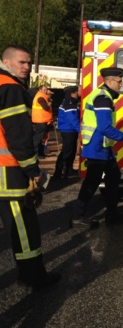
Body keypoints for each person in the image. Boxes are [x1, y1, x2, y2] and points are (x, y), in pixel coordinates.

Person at [0, 45, 61, 289]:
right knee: (24, 228)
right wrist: (33, 170)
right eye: (21, 62)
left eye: (29, 63)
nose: (26, 67)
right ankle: (33, 275)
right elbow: (17, 135)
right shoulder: (11, 88)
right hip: (9, 171)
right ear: (5, 61)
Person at [69, 67, 123, 229]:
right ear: (110, 81)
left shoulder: (103, 96)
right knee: (92, 182)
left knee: (114, 177)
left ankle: (112, 214)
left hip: (103, 147)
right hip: (96, 146)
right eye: (119, 82)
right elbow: (105, 127)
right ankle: (77, 216)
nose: (121, 84)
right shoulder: (103, 98)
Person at [54, 86, 81, 179]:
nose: (78, 94)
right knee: (67, 151)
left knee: (71, 151)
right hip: (68, 130)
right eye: (77, 92)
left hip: (70, 129)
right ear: (73, 93)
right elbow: (72, 118)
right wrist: (80, 130)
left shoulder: (71, 102)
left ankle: (68, 169)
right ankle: (59, 171)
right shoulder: (69, 103)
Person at [31, 84, 53, 158]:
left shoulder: (42, 96)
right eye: (44, 89)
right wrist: (49, 104)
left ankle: (40, 153)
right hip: (41, 120)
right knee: (38, 137)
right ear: (40, 90)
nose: (46, 91)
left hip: (42, 120)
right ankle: (36, 153)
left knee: (42, 138)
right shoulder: (40, 97)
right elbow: (46, 108)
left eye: (46, 89)